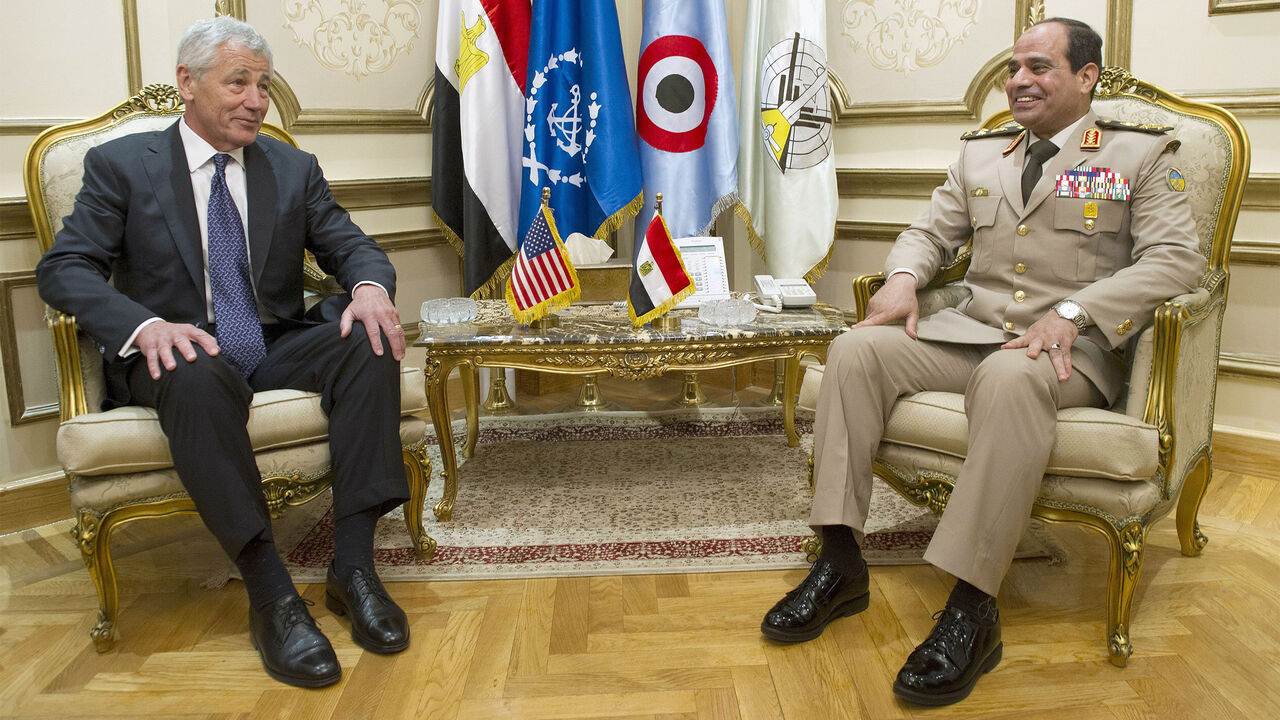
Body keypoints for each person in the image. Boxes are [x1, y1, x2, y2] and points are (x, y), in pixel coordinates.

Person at [759, 17, 1204, 706]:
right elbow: (928, 232)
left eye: (1039, 67)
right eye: (1012, 67)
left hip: (1070, 354)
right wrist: (905, 275)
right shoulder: (980, 154)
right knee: (854, 350)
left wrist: (1076, 312)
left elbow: (1177, 260)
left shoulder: (1138, 155)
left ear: (1086, 77)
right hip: (974, 334)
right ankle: (841, 561)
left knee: (1008, 374)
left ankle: (972, 606)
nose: (1019, 80)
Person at [36, 17, 413, 689]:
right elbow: (66, 269)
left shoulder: (290, 166)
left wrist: (367, 289)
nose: (256, 100)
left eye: (263, 85)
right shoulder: (123, 167)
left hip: (268, 344)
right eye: (238, 81)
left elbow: (350, 244)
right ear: (188, 82)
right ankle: (271, 594)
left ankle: (352, 567)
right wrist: (144, 326)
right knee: (190, 365)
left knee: (370, 340)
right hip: (177, 359)